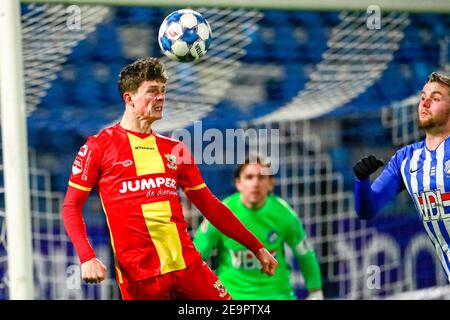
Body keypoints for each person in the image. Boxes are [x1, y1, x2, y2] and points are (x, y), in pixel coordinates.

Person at [61, 57, 277, 300]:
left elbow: (210, 206)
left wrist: (256, 247)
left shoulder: (175, 149)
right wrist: (87, 256)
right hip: (140, 277)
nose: (161, 97)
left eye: (163, 91)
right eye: (152, 91)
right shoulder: (98, 147)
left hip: (188, 267)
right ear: (129, 98)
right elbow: (71, 206)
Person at [353, 72, 450, 282]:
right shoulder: (405, 160)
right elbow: (367, 210)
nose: (425, 104)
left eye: (435, 99)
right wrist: (361, 181)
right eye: (423, 97)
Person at [193, 157, 324, 299]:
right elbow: (196, 255)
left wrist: (315, 291)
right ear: (238, 183)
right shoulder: (221, 213)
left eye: (261, 177)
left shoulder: (284, 214)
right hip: (232, 296)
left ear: (270, 184)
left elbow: (305, 254)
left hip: (277, 295)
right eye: (249, 177)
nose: (255, 183)